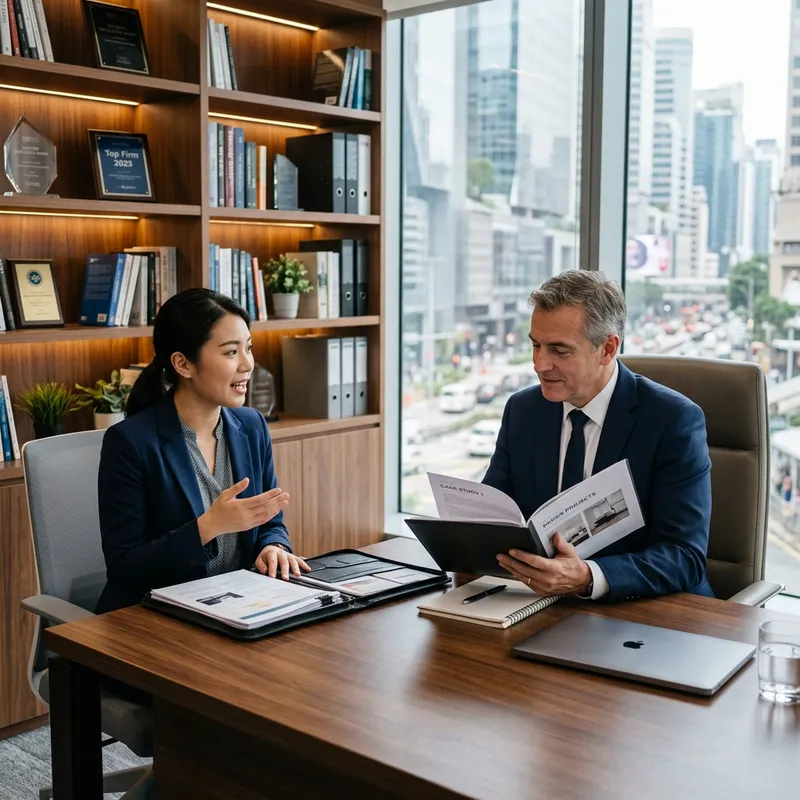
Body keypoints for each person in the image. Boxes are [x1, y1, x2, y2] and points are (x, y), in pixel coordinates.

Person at [485, 271, 714, 601]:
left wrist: (587, 577)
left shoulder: (673, 420)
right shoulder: (523, 410)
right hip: (539, 601)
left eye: (559, 350)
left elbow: (684, 557)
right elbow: (494, 516)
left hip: (649, 610)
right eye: (536, 345)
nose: (539, 364)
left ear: (607, 348)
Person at [95, 288, 309, 614]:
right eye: (231, 352)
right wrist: (208, 527)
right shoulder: (129, 443)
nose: (248, 364)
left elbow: (269, 521)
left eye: (248, 348)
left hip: (238, 607)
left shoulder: (251, 425)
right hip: (155, 617)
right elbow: (125, 568)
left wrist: (273, 546)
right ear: (183, 364)